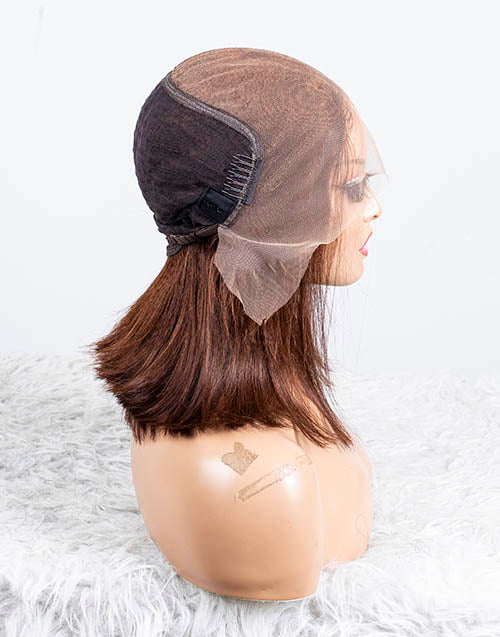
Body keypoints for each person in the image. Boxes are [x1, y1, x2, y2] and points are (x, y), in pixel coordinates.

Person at [87, 47, 387, 602]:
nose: (373, 207)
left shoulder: (266, 386)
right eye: (349, 187)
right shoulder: (263, 487)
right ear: (269, 216)